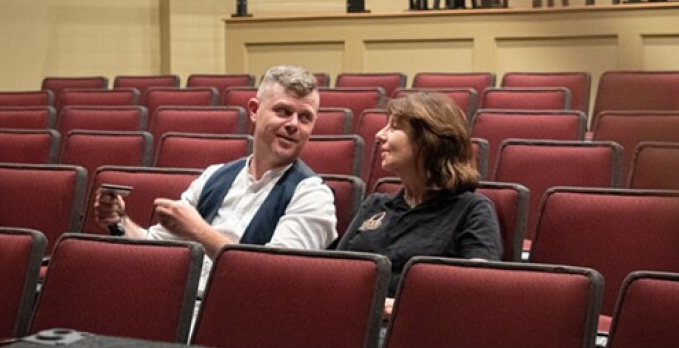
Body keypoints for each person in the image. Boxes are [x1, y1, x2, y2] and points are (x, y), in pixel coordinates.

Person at [94, 65, 338, 292]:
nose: (293, 124)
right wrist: (121, 223)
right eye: (283, 111)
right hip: (180, 300)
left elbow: (274, 277)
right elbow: (157, 247)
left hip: (241, 318)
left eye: (305, 117)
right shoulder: (215, 176)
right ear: (254, 111)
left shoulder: (313, 195)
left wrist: (198, 231)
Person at [337, 91, 502, 297]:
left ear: (428, 140)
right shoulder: (375, 204)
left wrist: (400, 307)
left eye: (394, 127)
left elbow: (478, 289)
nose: (380, 135)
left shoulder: (472, 210)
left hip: (420, 324)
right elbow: (336, 272)